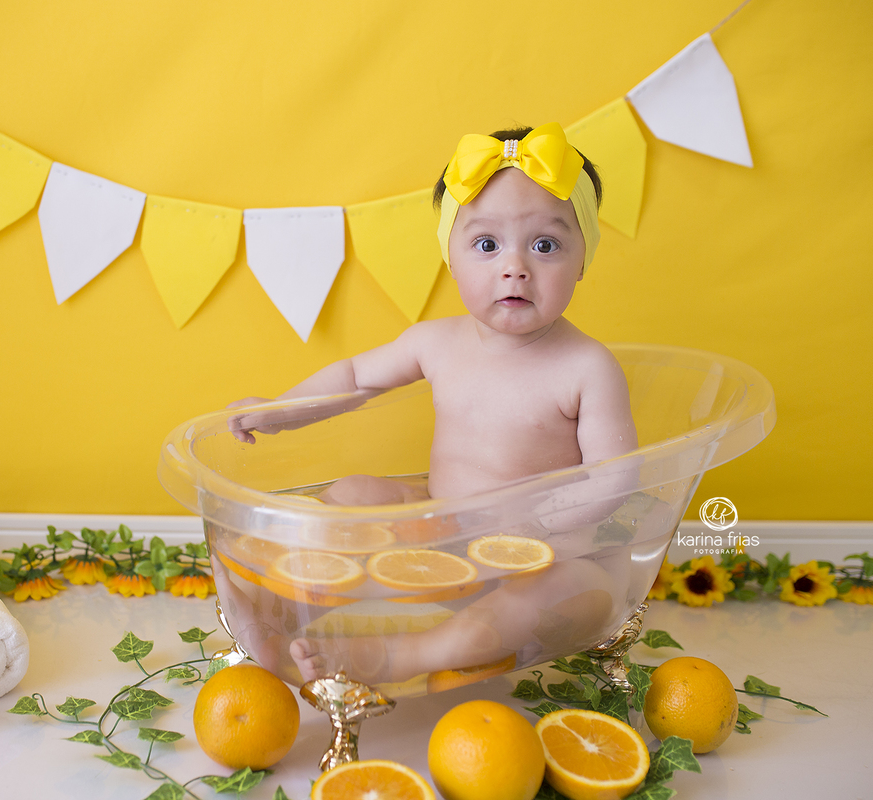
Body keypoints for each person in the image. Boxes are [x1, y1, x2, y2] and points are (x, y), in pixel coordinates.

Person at [225, 123, 640, 684]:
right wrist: (282, 410)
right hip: (441, 528)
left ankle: (403, 656)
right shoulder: (435, 343)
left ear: (583, 257)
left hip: (545, 556)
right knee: (352, 495)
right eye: (487, 245)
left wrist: (538, 516)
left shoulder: (587, 368)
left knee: (561, 598)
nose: (514, 266)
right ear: (451, 257)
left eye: (545, 245)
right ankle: (280, 610)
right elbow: (353, 378)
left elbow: (615, 478)